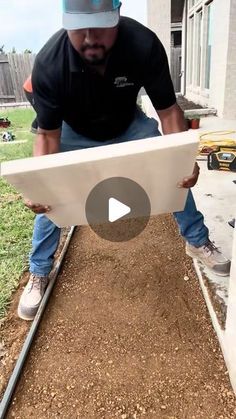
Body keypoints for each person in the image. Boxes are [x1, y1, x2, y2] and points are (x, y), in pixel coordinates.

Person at [18, 0, 231, 320]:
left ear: (117, 16)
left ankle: (197, 241)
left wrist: (182, 157)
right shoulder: (50, 63)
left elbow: (169, 111)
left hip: (128, 126)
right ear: (66, 23)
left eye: (100, 25)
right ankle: (39, 270)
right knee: (49, 193)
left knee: (174, 171)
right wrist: (39, 182)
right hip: (74, 133)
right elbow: (48, 136)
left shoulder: (143, 45)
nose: (90, 37)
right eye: (78, 29)